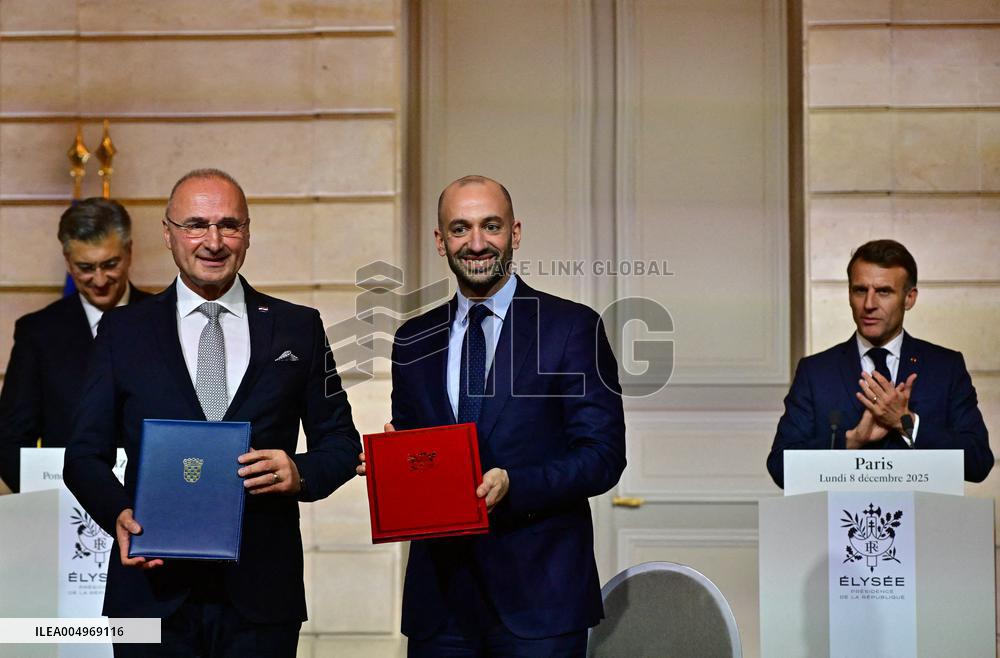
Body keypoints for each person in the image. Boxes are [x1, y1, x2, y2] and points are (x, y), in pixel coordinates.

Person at [63, 169, 360, 656]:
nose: (214, 241)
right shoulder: (123, 333)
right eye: (196, 224)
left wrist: (299, 472)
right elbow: (83, 455)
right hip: (150, 590)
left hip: (262, 595)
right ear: (168, 233)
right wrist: (117, 514)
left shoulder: (298, 329)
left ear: (248, 232)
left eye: (229, 225)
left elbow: (343, 443)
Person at [359, 175, 626, 656]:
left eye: (491, 226)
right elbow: (415, 446)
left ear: (515, 234)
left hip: (541, 599)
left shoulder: (570, 329)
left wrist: (513, 484)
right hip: (439, 603)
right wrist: (391, 466)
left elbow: (604, 456)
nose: (477, 243)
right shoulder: (412, 340)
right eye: (460, 229)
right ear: (441, 241)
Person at [767, 239, 993, 488]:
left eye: (883, 291)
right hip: (840, 522)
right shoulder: (816, 371)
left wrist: (907, 423)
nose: (869, 304)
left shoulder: (945, 367)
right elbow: (780, 466)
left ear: (909, 298)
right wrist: (852, 440)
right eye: (860, 290)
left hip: (924, 521)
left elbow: (978, 462)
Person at [0, 198, 151, 493]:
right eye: (85, 267)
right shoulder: (38, 333)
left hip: (149, 505)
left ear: (129, 252)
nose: (99, 280)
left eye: (110, 264)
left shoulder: (164, 319)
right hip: (66, 512)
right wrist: (44, 501)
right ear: (68, 262)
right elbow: (10, 439)